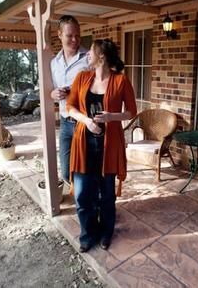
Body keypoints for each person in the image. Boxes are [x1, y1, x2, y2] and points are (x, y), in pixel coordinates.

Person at [66, 39, 137, 252]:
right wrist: (87, 121)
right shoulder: (82, 78)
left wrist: (111, 117)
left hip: (109, 146)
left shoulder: (121, 81)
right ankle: (88, 234)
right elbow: (70, 107)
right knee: (83, 194)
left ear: (102, 57)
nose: (87, 55)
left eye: (91, 53)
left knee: (107, 194)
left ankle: (106, 232)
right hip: (83, 144)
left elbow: (132, 112)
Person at [50, 15, 89, 184]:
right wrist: (53, 94)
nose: (75, 39)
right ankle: (84, 199)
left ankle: (92, 205)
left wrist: (77, 91)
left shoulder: (89, 58)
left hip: (85, 122)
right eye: (69, 35)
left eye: (78, 35)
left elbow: (102, 86)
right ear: (59, 34)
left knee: (88, 169)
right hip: (66, 122)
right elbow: (51, 88)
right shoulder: (54, 62)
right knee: (66, 172)